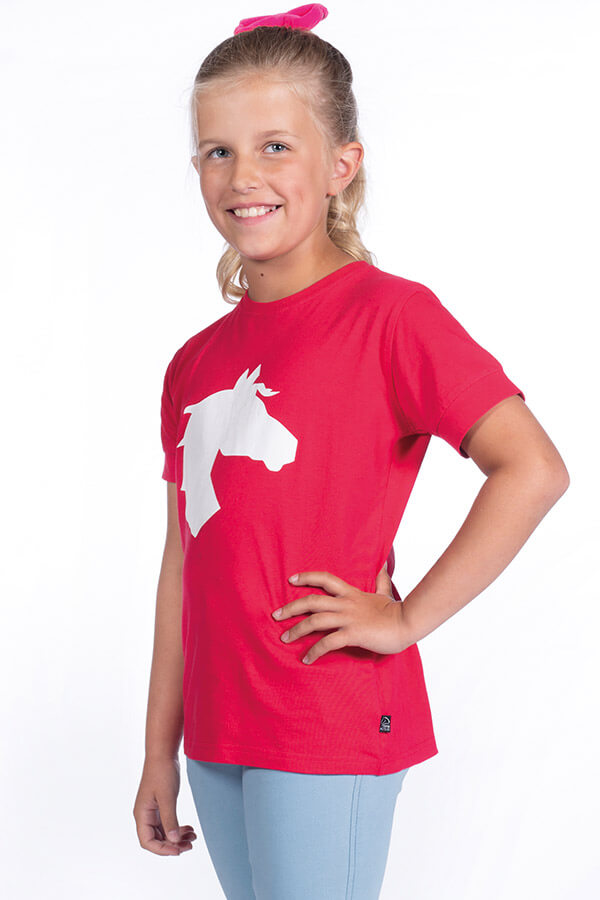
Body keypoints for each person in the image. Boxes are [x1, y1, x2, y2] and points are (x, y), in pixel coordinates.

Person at [133, 5, 570, 898]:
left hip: (323, 716)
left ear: (342, 164)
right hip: (218, 730)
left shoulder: (391, 318)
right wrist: (157, 750)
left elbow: (533, 468)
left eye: (275, 147)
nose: (242, 176)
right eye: (217, 151)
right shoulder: (195, 363)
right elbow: (184, 558)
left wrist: (404, 622)